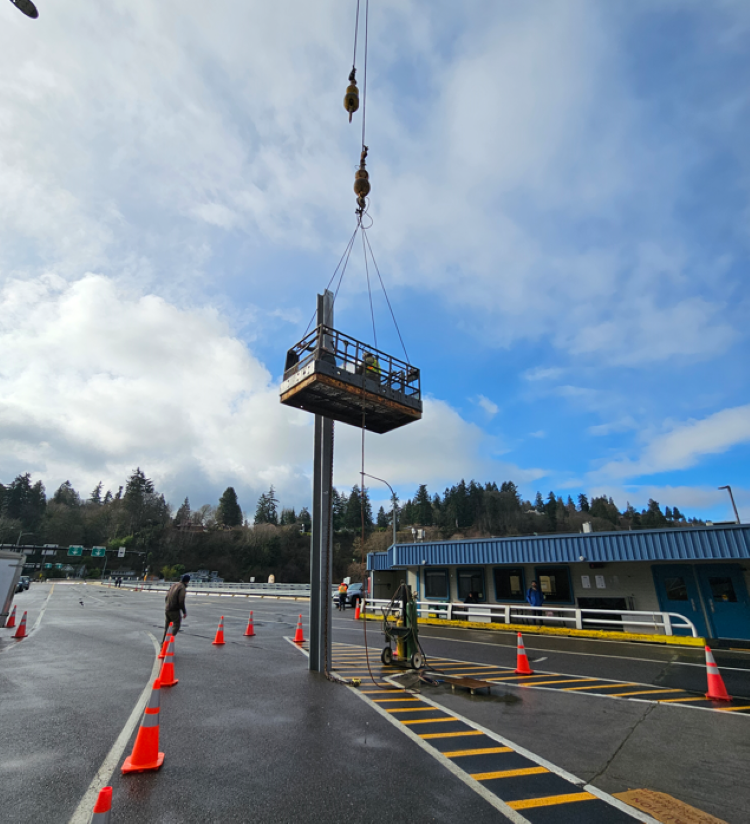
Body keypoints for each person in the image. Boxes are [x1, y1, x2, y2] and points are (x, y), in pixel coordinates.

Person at [163, 574, 190, 642]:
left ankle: (163, 643)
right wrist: (184, 612)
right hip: (174, 609)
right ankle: (169, 642)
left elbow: (166, 597)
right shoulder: (182, 587)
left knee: (167, 628)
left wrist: (167, 605)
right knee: (176, 625)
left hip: (167, 608)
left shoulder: (174, 585)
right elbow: (181, 601)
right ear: (187, 581)